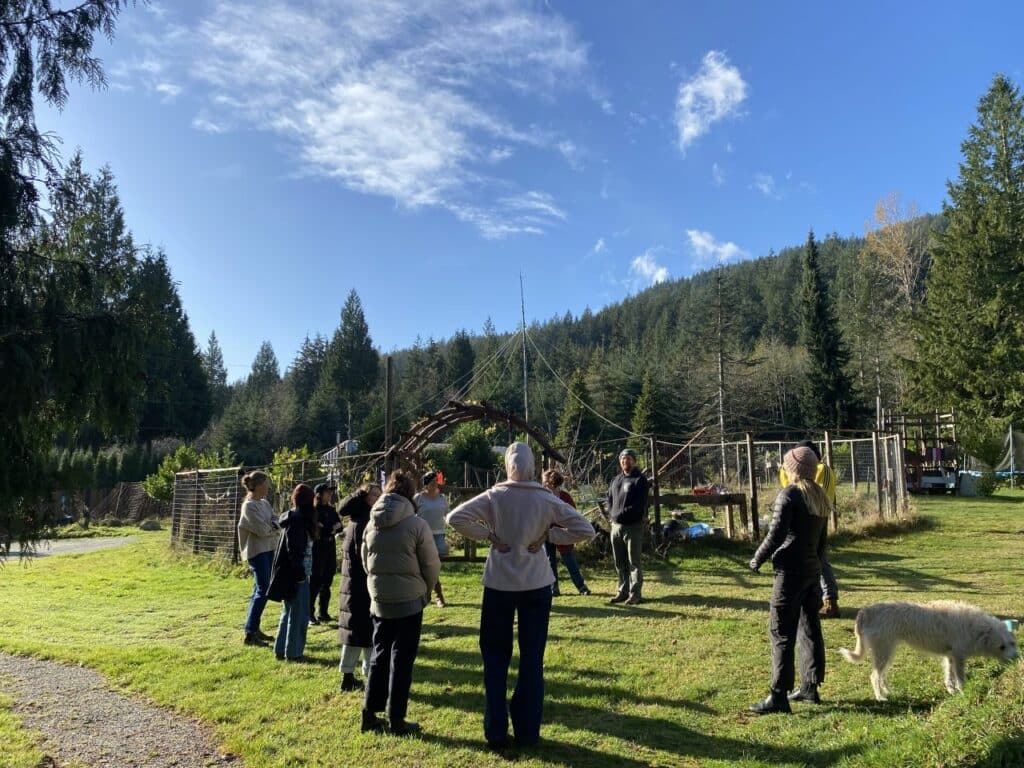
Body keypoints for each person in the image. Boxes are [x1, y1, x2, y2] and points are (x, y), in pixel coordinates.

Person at [447, 443, 595, 750]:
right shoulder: (545, 499)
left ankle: (496, 731)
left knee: (495, 658)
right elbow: (585, 529)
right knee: (531, 659)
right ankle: (528, 731)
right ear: (531, 466)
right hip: (536, 584)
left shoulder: (495, 496)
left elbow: (455, 518)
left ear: (506, 465)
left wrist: (488, 535)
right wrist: (549, 536)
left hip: (499, 584)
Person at [748, 446, 829, 714]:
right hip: (811, 570)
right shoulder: (819, 495)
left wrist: (757, 559)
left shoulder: (790, 495)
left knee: (780, 631)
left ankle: (778, 695)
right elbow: (821, 544)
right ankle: (810, 686)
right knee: (809, 627)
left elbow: (776, 535)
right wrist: (817, 570)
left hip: (790, 572)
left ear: (792, 469)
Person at [360, 471, 440, 736]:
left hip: (380, 599)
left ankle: (370, 713)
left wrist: (375, 587)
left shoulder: (371, 523)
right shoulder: (416, 525)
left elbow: (365, 561)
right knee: (402, 660)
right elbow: (430, 564)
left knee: (379, 655)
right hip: (409, 600)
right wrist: (425, 591)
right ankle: (396, 718)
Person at [778, 440, 840, 618]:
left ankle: (830, 599)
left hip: (817, 516)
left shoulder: (823, 470)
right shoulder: (790, 471)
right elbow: (788, 485)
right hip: (801, 517)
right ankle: (814, 598)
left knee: (818, 557)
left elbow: (823, 495)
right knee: (810, 558)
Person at [338, 483, 382, 692]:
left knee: (357, 632)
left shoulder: (357, 519)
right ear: (365, 497)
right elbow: (364, 556)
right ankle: (366, 673)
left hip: (355, 584)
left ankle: (353, 674)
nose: (378, 497)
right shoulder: (363, 521)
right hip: (360, 584)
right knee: (365, 631)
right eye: (374, 494)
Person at [270, 483, 316, 661]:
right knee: (299, 614)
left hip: (291, 572)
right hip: (297, 573)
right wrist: (300, 575)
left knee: (288, 612)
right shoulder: (298, 520)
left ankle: (280, 650)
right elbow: (294, 550)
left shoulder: (292, 518)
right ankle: (294, 653)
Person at [237, 470, 279, 645]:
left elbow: (276, 519)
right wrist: (273, 527)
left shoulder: (264, 503)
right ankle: (250, 633)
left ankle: (253, 628)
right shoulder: (249, 506)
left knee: (259, 590)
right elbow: (262, 530)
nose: (268, 487)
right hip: (257, 551)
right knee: (263, 590)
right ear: (258, 485)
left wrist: (273, 525)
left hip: (269, 549)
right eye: (266, 484)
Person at [606, 448, 650, 605]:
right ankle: (622, 591)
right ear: (620, 462)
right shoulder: (615, 480)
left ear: (634, 461)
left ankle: (635, 594)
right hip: (616, 527)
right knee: (620, 562)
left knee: (634, 562)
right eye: (623, 459)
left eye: (629, 458)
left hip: (633, 527)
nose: (626, 461)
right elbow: (609, 500)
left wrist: (620, 514)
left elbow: (639, 505)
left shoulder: (640, 480)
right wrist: (612, 515)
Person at [541, 469, 591, 596]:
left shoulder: (565, 497)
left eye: (546, 482)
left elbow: (573, 515)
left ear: (553, 484)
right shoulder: (542, 497)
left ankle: (581, 587)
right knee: (549, 561)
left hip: (563, 533)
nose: (544, 485)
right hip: (547, 533)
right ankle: (554, 588)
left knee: (570, 560)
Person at [413, 471, 450, 607]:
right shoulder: (418, 498)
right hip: (423, 535)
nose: (436, 484)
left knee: (434, 567)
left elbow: (448, 515)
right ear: (426, 484)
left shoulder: (442, 498)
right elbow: (411, 515)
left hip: (439, 535)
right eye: (433, 482)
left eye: (436, 481)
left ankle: (429, 594)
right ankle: (437, 595)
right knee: (428, 566)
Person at [309, 482, 342, 625]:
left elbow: (339, 526)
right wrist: (330, 527)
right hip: (318, 547)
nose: (330, 494)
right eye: (327, 492)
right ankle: (309, 613)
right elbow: (322, 528)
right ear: (319, 494)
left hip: (330, 546)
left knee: (328, 579)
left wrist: (330, 527)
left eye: (330, 492)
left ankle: (323, 612)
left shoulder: (331, 510)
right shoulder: (314, 511)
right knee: (315, 580)